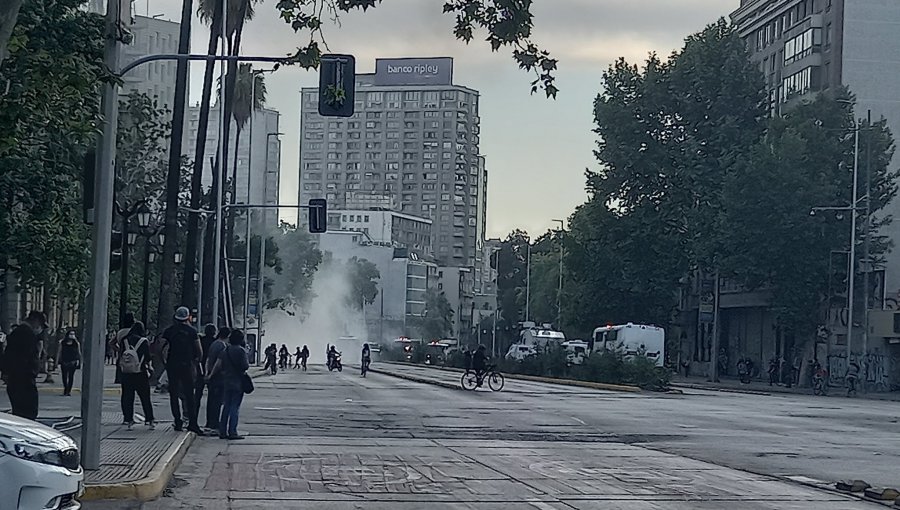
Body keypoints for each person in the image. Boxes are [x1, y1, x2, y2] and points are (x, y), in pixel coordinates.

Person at [160, 306, 204, 434]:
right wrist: (196, 361)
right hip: (187, 365)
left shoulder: (169, 331)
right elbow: (199, 349)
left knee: (173, 394)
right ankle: (193, 423)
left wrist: (165, 361)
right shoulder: (192, 331)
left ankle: (177, 421)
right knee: (190, 395)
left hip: (172, 365)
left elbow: (159, 347)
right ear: (187, 317)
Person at [0, 311, 47, 420]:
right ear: (35, 321)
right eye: (40, 325)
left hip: (19, 379)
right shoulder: (26, 334)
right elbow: (21, 358)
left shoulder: (19, 333)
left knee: (23, 412)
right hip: (23, 380)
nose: (40, 329)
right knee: (27, 413)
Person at [207, 329, 250, 440]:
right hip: (238, 382)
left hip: (226, 381)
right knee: (234, 407)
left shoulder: (225, 350)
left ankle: (222, 431)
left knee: (226, 406)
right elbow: (245, 366)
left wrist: (210, 375)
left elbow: (218, 364)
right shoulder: (241, 351)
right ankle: (232, 431)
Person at [119, 322, 155, 430]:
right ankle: (149, 419)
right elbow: (147, 357)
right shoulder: (143, 341)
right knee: (145, 397)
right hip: (140, 372)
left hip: (126, 372)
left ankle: (128, 419)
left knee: (127, 396)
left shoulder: (124, 340)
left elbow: (120, 354)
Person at [204, 327, 230, 431]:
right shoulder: (222, 346)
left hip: (211, 375)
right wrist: (212, 374)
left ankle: (210, 422)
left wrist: (207, 373)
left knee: (211, 400)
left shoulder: (214, 344)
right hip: (218, 377)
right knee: (217, 401)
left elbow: (208, 359)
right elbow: (218, 364)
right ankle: (214, 423)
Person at [194, 324, 217, 426]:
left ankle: (193, 419)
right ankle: (210, 422)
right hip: (211, 372)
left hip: (199, 369)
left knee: (196, 397)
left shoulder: (201, 340)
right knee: (212, 398)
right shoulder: (215, 343)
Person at [56, 330, 82, 396]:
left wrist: (80, 362)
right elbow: (59, 352)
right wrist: (57, 361)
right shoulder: (62, 342)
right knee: (64, 376)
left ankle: (69, 390)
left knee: (71, 376)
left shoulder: (76, 343)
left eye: (73, 334)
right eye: (71, 334)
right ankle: (66, 388)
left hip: (73, 362)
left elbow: (79, 353)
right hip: (64, 361)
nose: (72, 335)